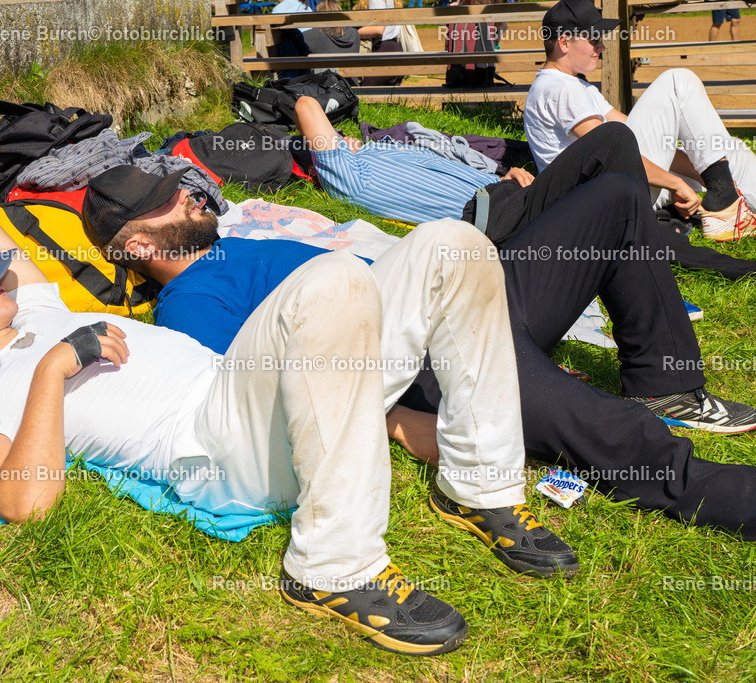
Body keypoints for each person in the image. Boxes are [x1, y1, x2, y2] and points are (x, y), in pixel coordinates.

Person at [0, 199, 575, 657]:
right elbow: (23, 501)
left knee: (452, 244)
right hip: (216, 443)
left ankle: (480, 485)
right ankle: (332, 567)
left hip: (260, 387)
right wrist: (51, 373)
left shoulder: (37, 305)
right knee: (331, 280)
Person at [82, 162, 756, 542]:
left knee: (614, 193)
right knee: (603, 427)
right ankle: (718, 490)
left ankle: (664, 379)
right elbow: (283, 385)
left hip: (459, 290)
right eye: (164, 202)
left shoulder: (236, 243)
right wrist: (402, 424)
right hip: (424, 363)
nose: (185, 195)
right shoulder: (190, 306)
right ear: (139, 246)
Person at [292, 93, 756, 280]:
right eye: (336, 140)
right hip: (489, 220)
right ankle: (719, 252)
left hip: (502, 194)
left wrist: (505, 174)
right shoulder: (345, 175)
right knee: (612, 141)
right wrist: (335, 142)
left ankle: (691, 233)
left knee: (612, 194)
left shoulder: (380, 154)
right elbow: (306, 102)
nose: (352, 138)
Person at [524, 0, 756, 241]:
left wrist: (711, 177)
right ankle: (725, 208)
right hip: (601, 202)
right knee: (677, 82)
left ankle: (731, 205)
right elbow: (611, 151)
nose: (602, 46)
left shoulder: (576, 85)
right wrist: (675, 183)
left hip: (618, 186)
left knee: (730, 151)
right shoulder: (557, 88)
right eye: (594, 39)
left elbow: (631, 135)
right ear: (564, 42)